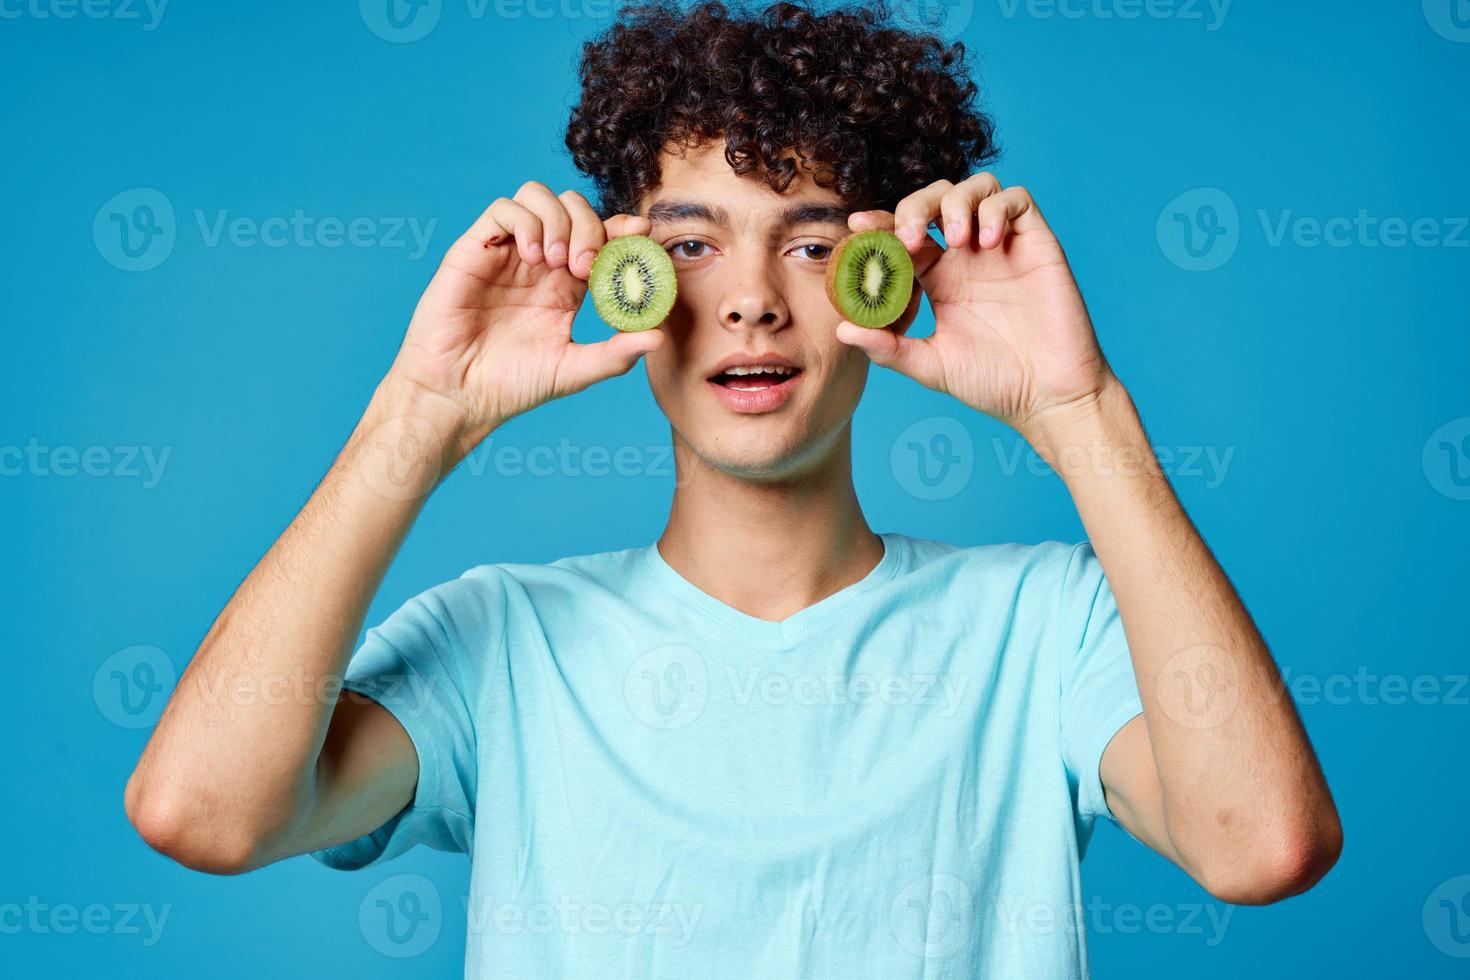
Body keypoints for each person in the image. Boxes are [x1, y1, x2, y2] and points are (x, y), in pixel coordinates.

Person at [124, 2, 1341, 975]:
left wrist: (1079, 413)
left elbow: (1264, 845)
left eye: (812, 243)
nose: (752, 297)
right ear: (625, 278)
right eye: (692, 245)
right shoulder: (507, 640)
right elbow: (202, 810)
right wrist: (420, 412)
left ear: (888, 278)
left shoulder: (1042, 627)